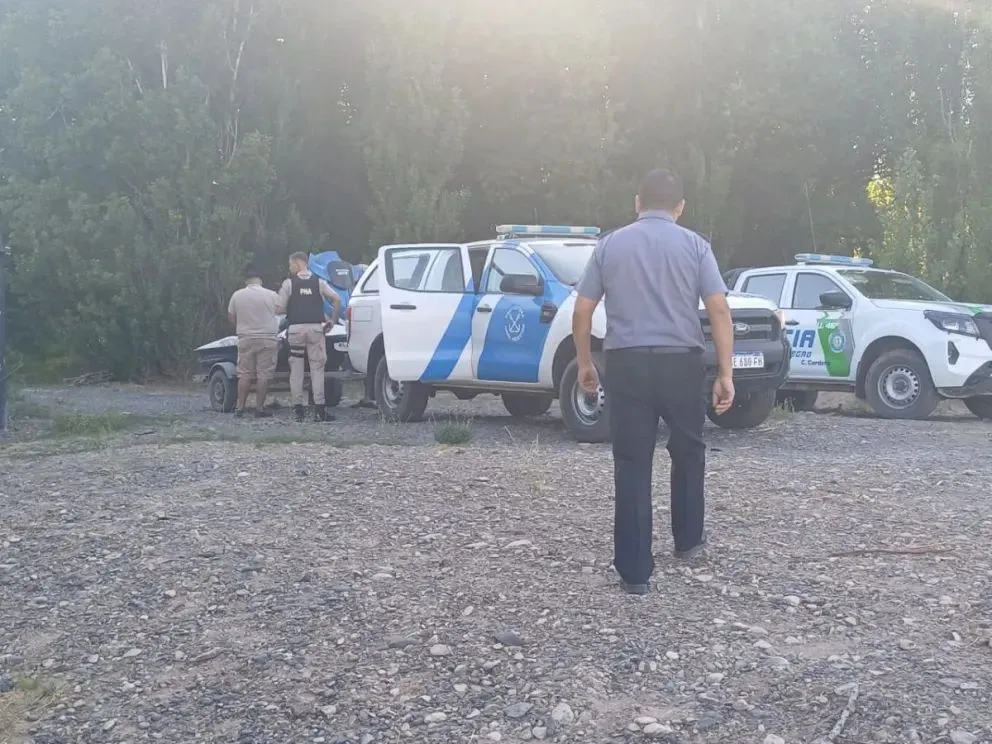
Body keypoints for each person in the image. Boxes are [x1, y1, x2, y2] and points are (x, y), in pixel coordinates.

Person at [572, 169, 735, 595]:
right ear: (680, 208)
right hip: (681, 363)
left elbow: (583, 311)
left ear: (637, 202)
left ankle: (635, 572)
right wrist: (725, 373)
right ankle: (688, 540)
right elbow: (718, 310)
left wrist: (586, 363)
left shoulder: (609, 245)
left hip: (626, 364)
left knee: (631, 462)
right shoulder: (697, 246)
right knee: (688, 450)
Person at [276, 252, 342, 422]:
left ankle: (298, 410)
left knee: (296, 369)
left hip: (296, 330)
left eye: (291, 264)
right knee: (317, 369)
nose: (290, 268)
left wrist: (294, 307)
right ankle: (320, 409)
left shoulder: (289, 284)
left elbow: (279, 309)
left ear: (298, 263)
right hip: (315, 329)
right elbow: (336, 298)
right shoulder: (319, 283)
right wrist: (332, 321)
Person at [227, 263, 280, 418]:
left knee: (244, 374)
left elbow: (231, 316)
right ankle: (259, 408)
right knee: (264, 375)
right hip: (267, 338)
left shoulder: (237, 295)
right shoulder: (271, 295)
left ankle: (240, 408)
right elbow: (281, 311)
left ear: (246, 280)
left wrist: (242, 327)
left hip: (245, 337)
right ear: (260, 280)